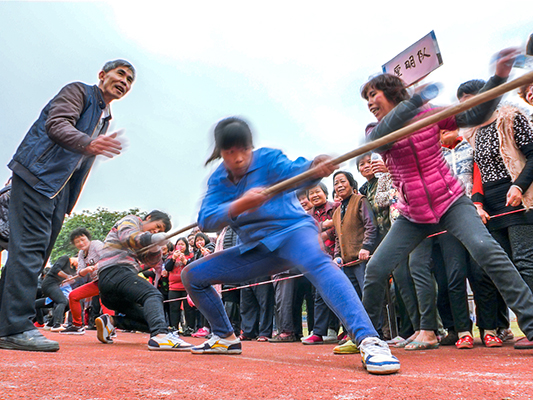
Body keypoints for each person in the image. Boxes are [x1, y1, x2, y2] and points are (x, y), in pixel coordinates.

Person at [182, 117, 400, 375]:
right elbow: (206, 219)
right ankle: (224, 337)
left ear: (251, 147)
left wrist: (314, 168)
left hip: (294, 232)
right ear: (221, 153)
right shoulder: (219, 180)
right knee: (192, 275)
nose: (239, 158)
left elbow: (296, 172)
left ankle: (368, 339)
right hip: (259, 249)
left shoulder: (268, 159)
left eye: (244, 150)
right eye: (230, 152)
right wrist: (239, 205)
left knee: (319, 264)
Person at [359, 49, 533, 353]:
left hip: (451, 201)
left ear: (391, 92)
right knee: (376, 269)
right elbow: (383, 137)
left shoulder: (431, 115)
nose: (371, 103)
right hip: (412, 214)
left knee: (484, 248)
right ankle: (367, 338)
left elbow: (475, 115)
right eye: (367, 99)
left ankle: (531, 323)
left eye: (374, 94)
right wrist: (414, 100)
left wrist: (500, 76)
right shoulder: (376, 129)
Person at [0, 59, 135, 352]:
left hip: (59, 190)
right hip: (38, 176)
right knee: (30, 248)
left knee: (37, 252)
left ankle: (6, 323)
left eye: (130, 80)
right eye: (120, 74)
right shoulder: (79, 92)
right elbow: (56, 124)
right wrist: (89, 143)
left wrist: (67, 200)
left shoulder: (104, 116)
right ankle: (15, 327)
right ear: (102, 75)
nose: (124, 81)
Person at [457, 79, 533, 349]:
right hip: (489, 205)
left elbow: (532, 155)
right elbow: (479, 171)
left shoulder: (512, 117)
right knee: (501, 268)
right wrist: (477, 203)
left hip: (519, 198)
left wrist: (519, 186)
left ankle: (531, 327)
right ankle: (514, 325)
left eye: (472, 99)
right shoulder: (474, 132)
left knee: (525, 261)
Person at [95, 211, 193, 351]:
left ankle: (111, 321)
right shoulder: (132, 220)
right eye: (157, 225)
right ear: (149, 218)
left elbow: (151, 261)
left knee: (151, 319)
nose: (157, 230)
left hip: (113, 287)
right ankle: (160, 336)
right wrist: (152, 238)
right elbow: (127, 237)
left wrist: (155, 247)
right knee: (153, 295)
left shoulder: (143, 240)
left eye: (160, 230)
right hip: (115, 271)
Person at [61, 228, 111, 335]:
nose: (80, 243)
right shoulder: (81, 254)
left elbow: (107, 257)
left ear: (88, 238)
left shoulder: (96, 244)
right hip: (97, 282)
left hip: (108, 278)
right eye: (77, 242)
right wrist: (87, 270)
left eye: (82, 239)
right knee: (73, 295)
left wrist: (95, 266)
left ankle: (110, 328)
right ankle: (77, 326)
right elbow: (80, 272)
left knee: (106, 302)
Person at [164, 237, 195, 333]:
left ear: (186, 246)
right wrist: (173, 258)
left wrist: (185, 261)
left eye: (182, 244)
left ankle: (190, 327)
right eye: (178, 244)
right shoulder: (171, 257)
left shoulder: (190, 256)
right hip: (173, 286)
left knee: (188, 308)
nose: (180, 246)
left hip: (186, 286)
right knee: (174, 308)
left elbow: (193, 269)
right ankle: (174, 327)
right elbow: (167, 268)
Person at [40, 256, 79, 331]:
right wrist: (67, 276)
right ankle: (56, 325)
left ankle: (50, 324)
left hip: (56, 285)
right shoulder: (65, 258)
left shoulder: (72, 269)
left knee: (68, 304)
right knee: (62, 301)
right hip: (49, 284)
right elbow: (56, 269)